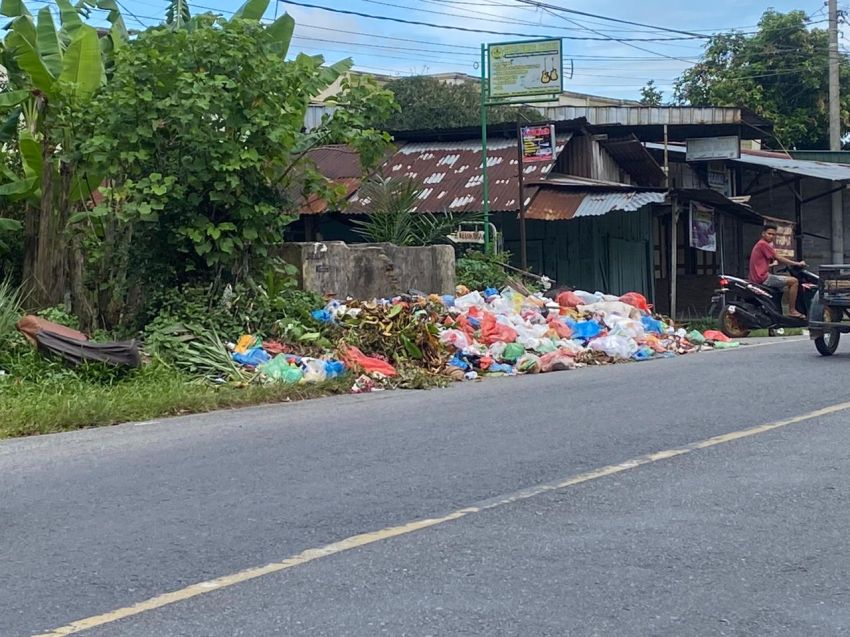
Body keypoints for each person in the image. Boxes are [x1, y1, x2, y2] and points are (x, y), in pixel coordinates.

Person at [748, 223, 807, 318]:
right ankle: (792, 310)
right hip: (763, 278)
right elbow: (778, 257)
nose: (771, 236)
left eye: (773, 235)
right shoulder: (763, 244)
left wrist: (772, 264)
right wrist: (797, 263)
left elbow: (761, 263)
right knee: (794, 281)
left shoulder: (760, 245)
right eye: (769, 233)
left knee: (781, 287)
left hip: (758, 277)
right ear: (763, 233)